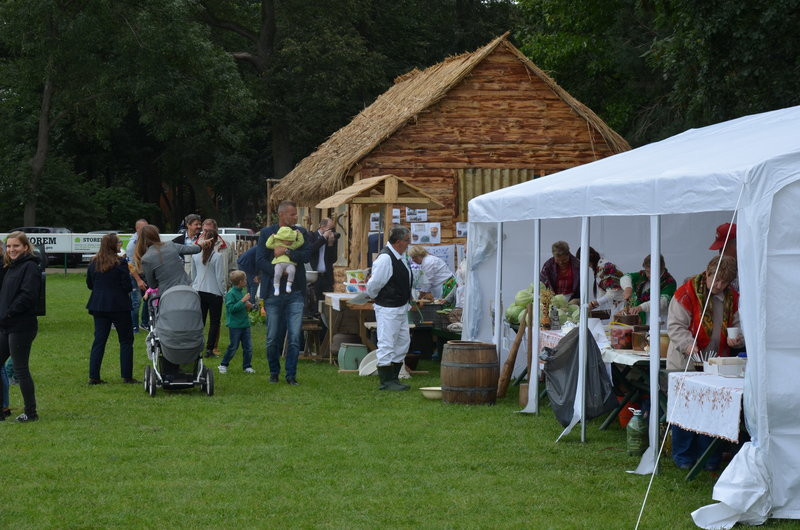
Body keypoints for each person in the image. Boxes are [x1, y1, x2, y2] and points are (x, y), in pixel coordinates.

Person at [666, 255, 743, 471]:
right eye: (716, 280)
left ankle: (709, 458)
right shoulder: (686, 293)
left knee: (712, 410)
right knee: (685, 409)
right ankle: (684, 456)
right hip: (685, 360)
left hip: (715, 362)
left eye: (724, 283)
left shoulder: (732, 298)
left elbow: (737, 324)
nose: (718, 286)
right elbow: (675, 326)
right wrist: (688, 345)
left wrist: (735, 338)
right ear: (707, 273)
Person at [256, 200, 311, 385]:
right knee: (272, 337)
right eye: (293, 214)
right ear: (281, 214)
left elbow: (306, 256)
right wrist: (280, 270)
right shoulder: (267, 234)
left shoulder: (300, 233)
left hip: (295, 293)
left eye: (296, 214)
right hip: (273, 293)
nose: (296, 217)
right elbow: (260, 261)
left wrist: (287, 251)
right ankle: (274, 372)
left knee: (295, 337)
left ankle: (291, 375)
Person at [366, 226, 414, 391]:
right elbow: (375, 283)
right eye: (407, 240)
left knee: (402, 343)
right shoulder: (386, 258)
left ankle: (393, 378)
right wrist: (372, 294)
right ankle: (386, 382)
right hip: (388, 307)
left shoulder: (399, 257)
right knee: (387, 343)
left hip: (400, 307)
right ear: (399, 242)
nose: (409, 244)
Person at [0, 232, 42, 422]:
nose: (11, 250)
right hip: (6, 325)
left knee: (20, 369)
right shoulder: (10, 267)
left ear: (25, 247)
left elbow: (28, 296)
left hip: (21, 325)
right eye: (8, 246)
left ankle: (31, 413)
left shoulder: (30, 267)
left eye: (15, 246)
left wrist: (8, 313)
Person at [86, 233, 136, 385]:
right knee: (126, 340)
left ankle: (94, 376)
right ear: (113, 245)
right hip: (119, 305)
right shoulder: (120, 263)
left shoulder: (94, 262)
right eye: (119, 242)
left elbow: (90, 284)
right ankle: (127, 375)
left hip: (99, 305)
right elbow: (127, 285)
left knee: (99, 340)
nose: (120, 244)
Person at [136, 224, 204, 294]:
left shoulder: (146, 259)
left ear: (142, 239)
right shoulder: (170, 245)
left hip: (167, 294)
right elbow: (193, 249)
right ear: (157, 234)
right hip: (185, 288)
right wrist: (202, 244)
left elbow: (152, 285)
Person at [191, 229, 226, 359]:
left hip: (199, 291)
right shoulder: (217, 256)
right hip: (214, 292)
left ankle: (197, 347)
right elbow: (220, 278)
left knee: (200, 322)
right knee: (214, 322)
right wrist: (224, 293)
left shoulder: (195, 256)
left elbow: (193, 276)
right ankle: (209, 349)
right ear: (215, 241)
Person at [621, 254, 677, 325]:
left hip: (660, 321)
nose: (648, 275)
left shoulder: (670, 282)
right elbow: (625, 277)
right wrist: (628, 287)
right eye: (647, 271)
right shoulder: (642, 275)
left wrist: (640, 307)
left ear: (661, 269)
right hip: (640, 320)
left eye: (651, 272)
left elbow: (663, 302)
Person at [218, 270, 254, 374]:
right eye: (245, 280)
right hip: (235, 325)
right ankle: (223, 365)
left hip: (245, 324)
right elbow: (231, 309)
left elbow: (243, 307)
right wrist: (243, 301)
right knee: (233, 346)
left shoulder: (241, 291)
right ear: (240, 282)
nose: (246, 281)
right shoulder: (231, 294)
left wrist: (249, 306)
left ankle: (247, 366)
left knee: (248, 347)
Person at [576, 247, 625, 314]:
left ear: (590, 256)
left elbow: (613, 292)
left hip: (623, 306)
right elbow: (602, 293)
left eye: (583, 261)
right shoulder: (598, 268)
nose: (584, 265)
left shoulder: (606, 267)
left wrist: (593, 304)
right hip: (617, 306)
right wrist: (592, 305)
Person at [265, 225, 305, 296]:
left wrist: (299, 234)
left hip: (290, 263)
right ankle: (276, 288)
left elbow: (300, 242)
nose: (290, 242)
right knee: (277, 273)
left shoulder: (292, 245)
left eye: (291, 240)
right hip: (279, 263)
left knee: (292, 271)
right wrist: (272, 237)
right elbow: (268, 244)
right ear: (282, 239)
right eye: (288, 240)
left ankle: (288, 285)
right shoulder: (277, 244)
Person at [126, 218, 149, 332]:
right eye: (143, 228)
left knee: (149, 299)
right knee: (136, 302)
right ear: (137, 229)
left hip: (147, 275)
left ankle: (145, 324)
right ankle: (133, 327)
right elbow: (130, 265)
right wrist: (138, 280)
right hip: (136, 276)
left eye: (147, 227)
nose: (146, 230)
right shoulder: (132, 244)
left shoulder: (148, 240)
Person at [308, 218, 338, 299]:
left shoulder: (331, 238)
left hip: (327, 276)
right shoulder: (312, 236)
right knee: (314, 303)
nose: (332, 231)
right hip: (314, 277)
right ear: (322, 227)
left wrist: (330, 244)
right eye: (330, 228)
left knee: (327, 302)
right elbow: (311, 250)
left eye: (333, 229)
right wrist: (323, 238)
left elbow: (333, 259)